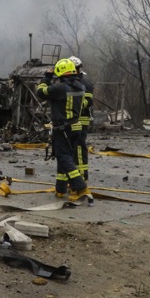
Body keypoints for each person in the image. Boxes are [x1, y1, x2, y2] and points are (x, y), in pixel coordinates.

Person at [36, 58, 91, 203]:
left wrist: (47, 77)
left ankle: (80, 187)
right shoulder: (80, 86)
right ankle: (60, 189)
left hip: (63, 128)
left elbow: (40, 92)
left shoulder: (59, 88)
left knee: (63, 157)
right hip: (76, 126)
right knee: (67, 156)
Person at [68, 55, 94, 182]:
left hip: (80, 118)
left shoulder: (84, 82)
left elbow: (88, 101)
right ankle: (75, 175)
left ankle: (82, 176)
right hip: (72, 118)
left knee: (79, 146)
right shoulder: (72, 81)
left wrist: (73, 105)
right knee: (72, 147)